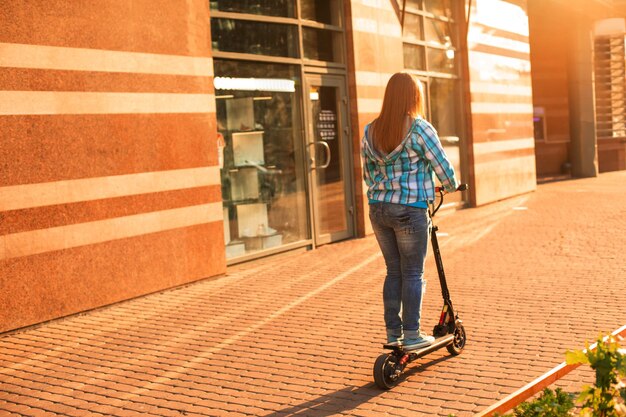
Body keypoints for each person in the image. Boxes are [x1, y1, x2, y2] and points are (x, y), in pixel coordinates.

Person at [361, 72, 459, 350]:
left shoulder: (370, 131)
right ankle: (412, 334)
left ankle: (394, 334)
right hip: (409, 209)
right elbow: (441, 164)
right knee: (413, 272)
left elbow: (368, 174)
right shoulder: (419, 128)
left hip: (378, 208)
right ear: (412, 97)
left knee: (394, 271)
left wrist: (385, 190)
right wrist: (451, 185)